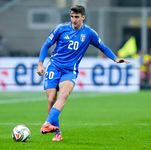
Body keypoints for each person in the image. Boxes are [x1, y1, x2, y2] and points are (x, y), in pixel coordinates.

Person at [36, 5, 130, 141]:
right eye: (72, 17)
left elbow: (102, 47)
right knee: (51, 100)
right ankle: (58, 132)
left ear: (83, 17)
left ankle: (47, 124)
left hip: (70, 71)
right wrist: (40, 64)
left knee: (64, 94)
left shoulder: (89, 33)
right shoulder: (61, 28)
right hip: (54, 67)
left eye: (77, 17)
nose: (74, 20)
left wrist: (115, 58)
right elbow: (46, 45)